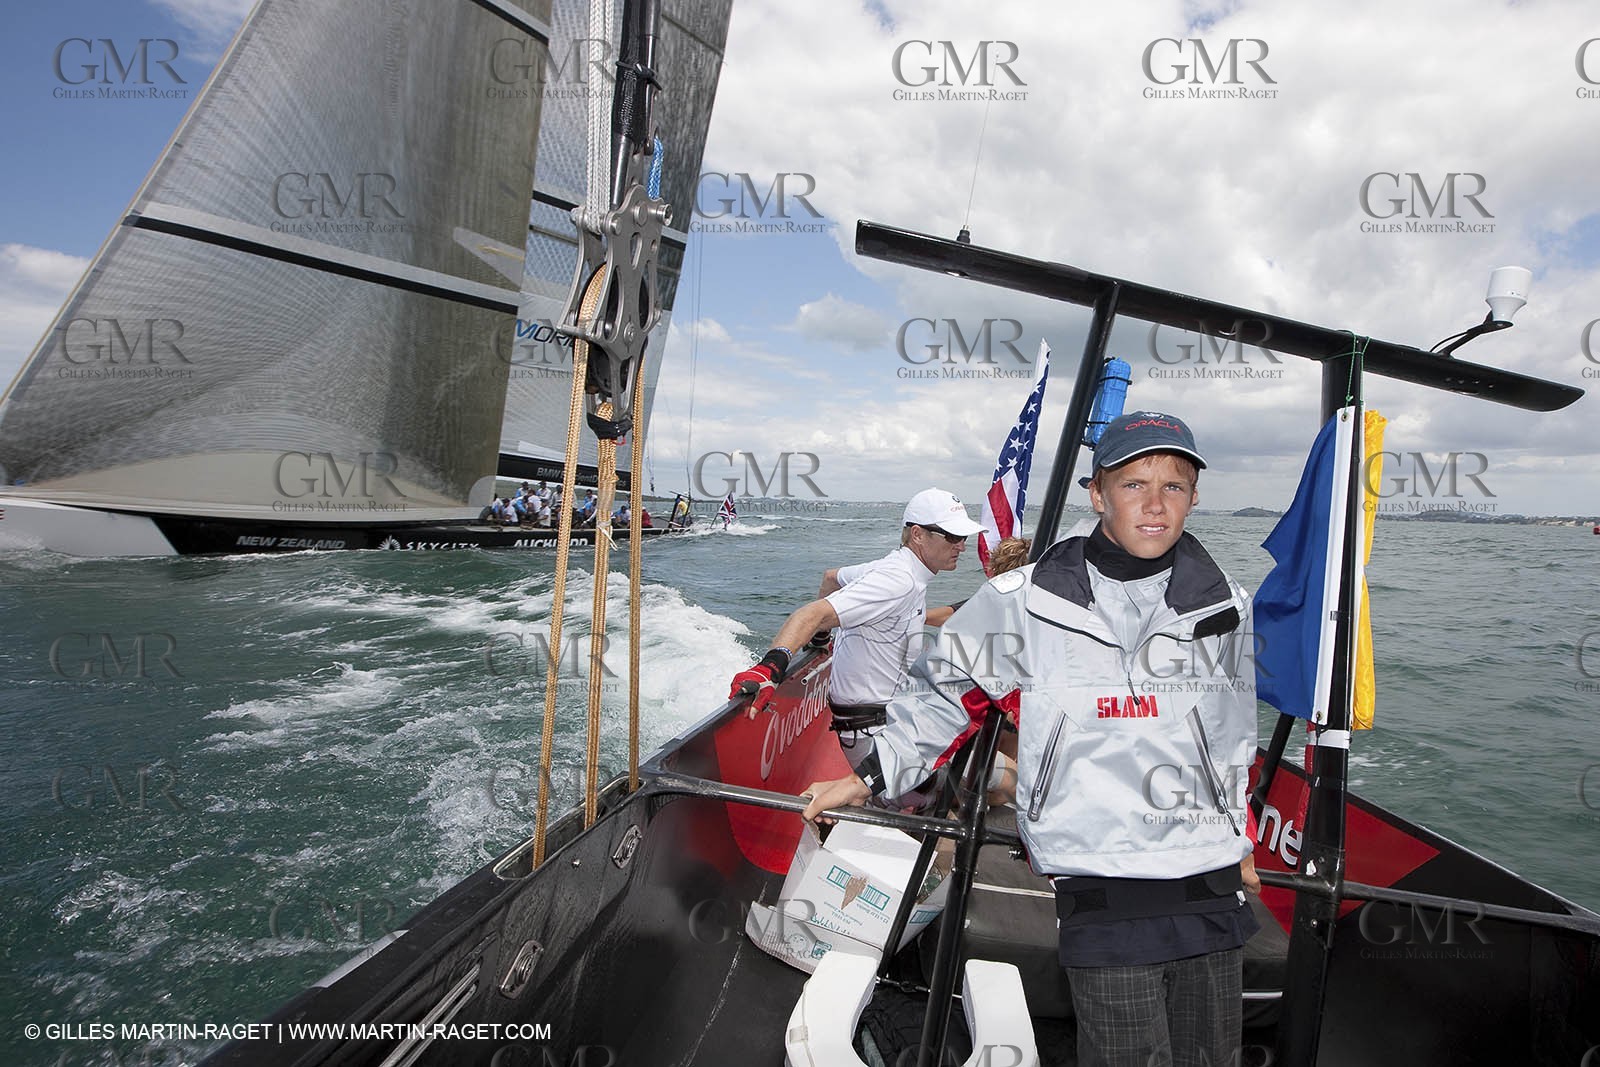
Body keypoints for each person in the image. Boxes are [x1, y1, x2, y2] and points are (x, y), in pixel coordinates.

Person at [801, 413, 1259, 1067]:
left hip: (1208, 882)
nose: (1156, 504)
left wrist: (1238, 834)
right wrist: (869, 773)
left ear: (1194, 496)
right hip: (1104, 879)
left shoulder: (1226, 606)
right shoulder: (1026, 597)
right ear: (1099, 493)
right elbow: (944, 690)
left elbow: (1224, 731)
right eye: (1135, 483)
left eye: (1175, 485)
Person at [728, 488, 984, 768]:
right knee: (999, 775)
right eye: (953, 537)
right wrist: (769, 667)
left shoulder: (894, 566)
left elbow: (830, 578)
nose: (961, 546)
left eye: (964, 537)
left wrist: (821, 638)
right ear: (918, 535)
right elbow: (811, 613)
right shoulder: (899, 581)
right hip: (878, 739)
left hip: (888, 719)